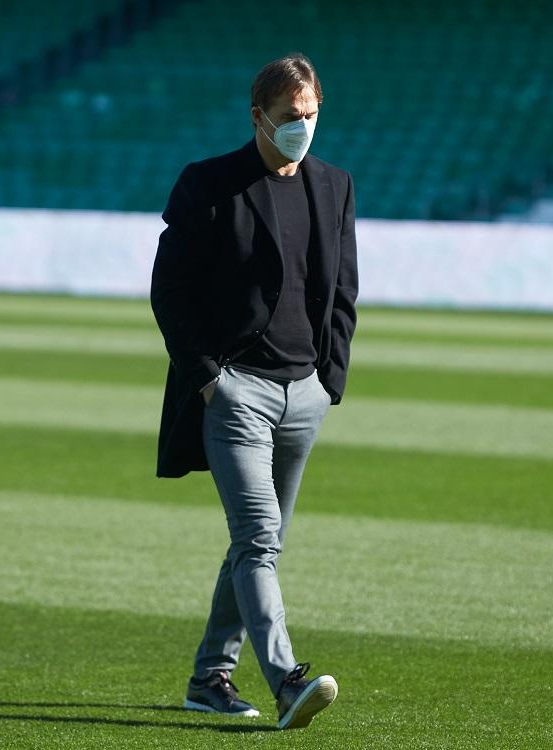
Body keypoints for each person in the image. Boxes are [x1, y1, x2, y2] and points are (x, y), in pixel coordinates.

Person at [150, 54, 358, 730]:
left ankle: (210, 677)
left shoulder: (334, 186)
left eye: (311, 115)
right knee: (260, 538)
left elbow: (342, 295)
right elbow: (170, 292)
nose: (303, 128)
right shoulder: (209, 185)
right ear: (258, 117)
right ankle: (285, 681)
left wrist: (330, 380)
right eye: (290, 117)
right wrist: (211, 380)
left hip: (304, 394)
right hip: (237, 391)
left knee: (256, 544)